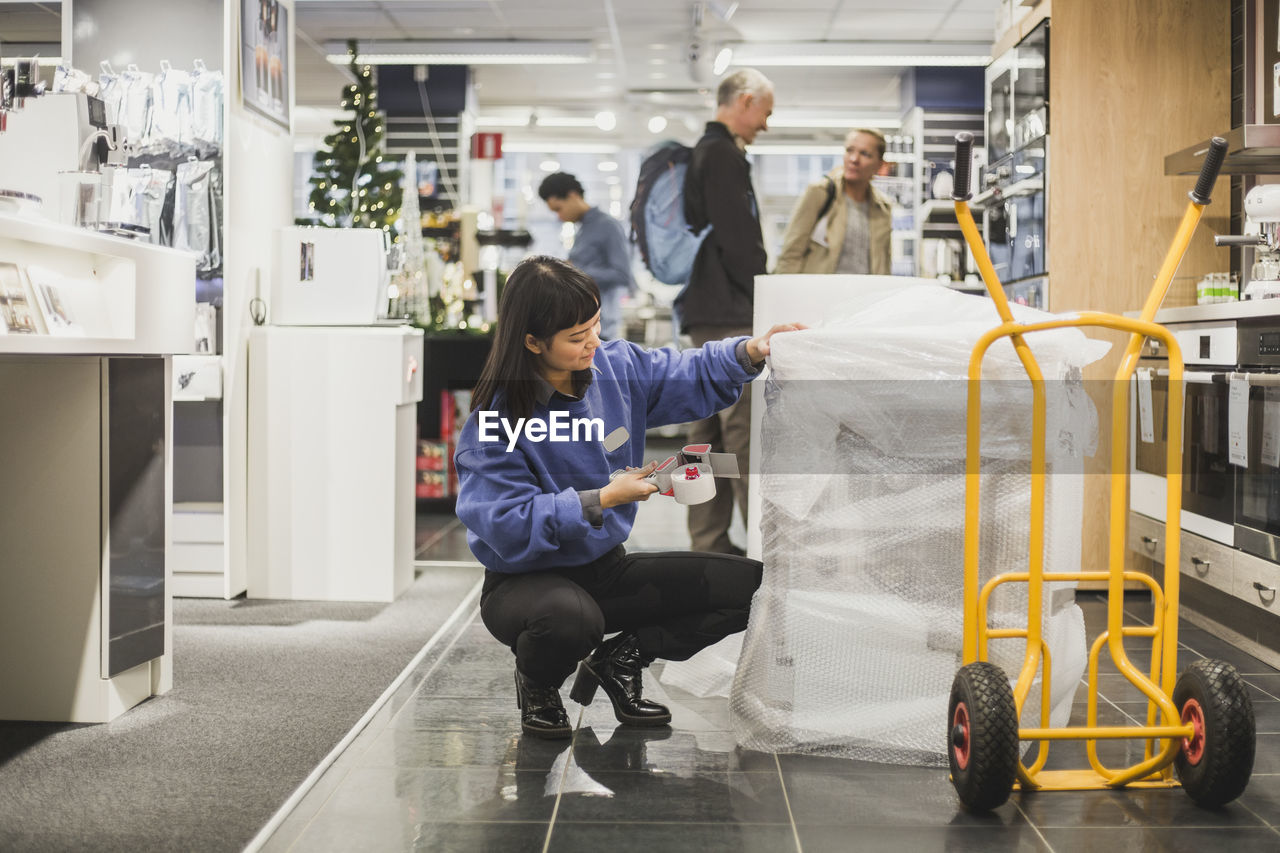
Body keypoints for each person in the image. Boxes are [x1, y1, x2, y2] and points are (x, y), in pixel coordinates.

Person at [453, 255, 803, 739]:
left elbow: (688, 371)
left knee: (755, 588)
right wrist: (601, 499)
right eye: (577, 337)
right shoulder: (494, 426)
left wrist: (751, 351)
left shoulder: (613, 367)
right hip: (524, 583)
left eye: (594, 326)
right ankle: (537, 684)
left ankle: (622, 660)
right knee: (572, 621)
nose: (593, 342)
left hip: (605, 569)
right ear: (532, 343)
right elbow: (506, 525)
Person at [678, 67, 774, 556]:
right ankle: (760, 539)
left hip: (704, 307)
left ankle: (708, 538)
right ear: (746, 100)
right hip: (729, 306)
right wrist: (766, 288)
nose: (765, 125)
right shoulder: (723, 155)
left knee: (706, 431)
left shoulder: (704, 151)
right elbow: (738, 238)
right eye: (765, 113)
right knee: (741, 428)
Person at [775, 127, 893, 275]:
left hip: (866, 296)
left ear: (879, 164)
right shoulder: (820, 193)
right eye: (850, 150)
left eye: (865, 154)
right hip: (822, 295)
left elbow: (884, 263)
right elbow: (791, 253)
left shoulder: (883, 208)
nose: (854, 159)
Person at [538, 171, 635, 340]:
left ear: (573, 195)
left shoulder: (607, 226)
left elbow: (622, 275)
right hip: (581, 325)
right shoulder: (583, 229)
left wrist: (573, 270)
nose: (559, 217)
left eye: (558, 209)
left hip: (600, 329)